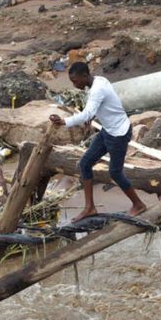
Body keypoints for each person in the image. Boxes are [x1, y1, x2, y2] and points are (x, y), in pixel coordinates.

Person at [49, 61, 146, 221]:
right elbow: (100, 107)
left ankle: (138, 204)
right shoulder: (99, 81)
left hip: (118, 134)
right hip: (108, 130)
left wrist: (64, 121)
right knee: (85, 163)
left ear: (85, 76)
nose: (74, 85)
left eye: (75, 81)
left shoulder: (97, 89)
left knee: (115, 172)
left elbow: (87, 113)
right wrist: (93, 115)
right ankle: (90, 208)